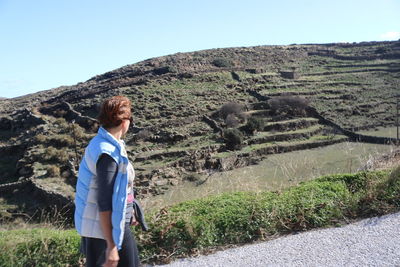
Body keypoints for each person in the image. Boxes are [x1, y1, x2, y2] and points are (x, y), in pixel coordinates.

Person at [75, 96, 140, 267]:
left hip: (106, 225)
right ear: (125, 121)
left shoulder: (104, 144)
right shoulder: (108, 153)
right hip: (106, 230)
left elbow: (119, 188)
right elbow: (104, 201)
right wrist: (111, 246)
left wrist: (130, 209)